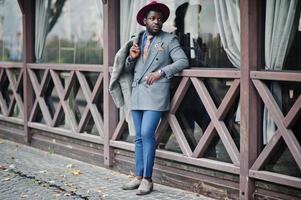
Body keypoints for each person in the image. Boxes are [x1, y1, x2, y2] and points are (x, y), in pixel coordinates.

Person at [109, 1, 188, 195]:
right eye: (152, 19)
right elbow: (128, 69)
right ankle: (138, 176)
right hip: (137, 93)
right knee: (137, 136)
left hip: (155, 93)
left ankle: (148, 179)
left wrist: (161, 72)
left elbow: (183, 61)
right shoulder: (138, 39)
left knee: (146, 133)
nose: (156, 22)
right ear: (144, 20)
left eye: (159, 19)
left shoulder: (169, 40)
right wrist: (131, 58)